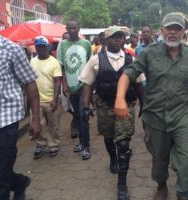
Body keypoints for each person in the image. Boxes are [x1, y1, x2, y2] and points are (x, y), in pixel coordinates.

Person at [115, 13, 188, 200]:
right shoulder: (149, 53)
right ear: (162, 30)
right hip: (155, 116)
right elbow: (127, 74)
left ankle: (184, 193)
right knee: (159, 158)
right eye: (169, 28)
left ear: (183, 31)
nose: (173, 32)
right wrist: (119, 98)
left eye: (177, 29)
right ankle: (162, 185)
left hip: (181, 115)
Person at [79, 25, 143, 200]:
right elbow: (87, 84)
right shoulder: (95, 60)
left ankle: (122, 184)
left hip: (126, 107)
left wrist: (144, 105)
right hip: (105, 106)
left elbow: (138, 83)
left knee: (123, 143)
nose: (118, 39)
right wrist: (85, 106)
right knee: (108, 137)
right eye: (114, 37)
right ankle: (112, 158)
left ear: (125, 39)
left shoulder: (131, 59)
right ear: (105, 40)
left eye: (121, 36)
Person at [0, 28, 41, 199]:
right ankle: (19, 182)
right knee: (0, 172)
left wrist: (35, 119)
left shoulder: (11, 50)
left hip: (4, 121)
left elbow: (30, 83)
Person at [57, 18, 92, 160]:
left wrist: (90, 87)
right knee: (76, 117)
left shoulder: (86, 44)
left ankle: (86, 146)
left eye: (74, 28)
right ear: (66, 29)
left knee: (84, 116)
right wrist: (64, 85)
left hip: (84, 87)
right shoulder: (62, 45)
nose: (72, 31)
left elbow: (91, 66)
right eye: (69, 28)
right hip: (70, 89)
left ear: (79, 28)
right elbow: (61, 67)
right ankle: (81, 142)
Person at [30, 36, 62, 159]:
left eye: (43, 46)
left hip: (50, 100)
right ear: (36, 47)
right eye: (38, 46)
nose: (40, 49)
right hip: (36, 101)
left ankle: (53, 144)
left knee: (53, 124)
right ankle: (40, 143)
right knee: (37, 124)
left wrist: (54, 99)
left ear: (47, 47)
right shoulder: (32, 61)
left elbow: (57, 82)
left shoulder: (54, 62)